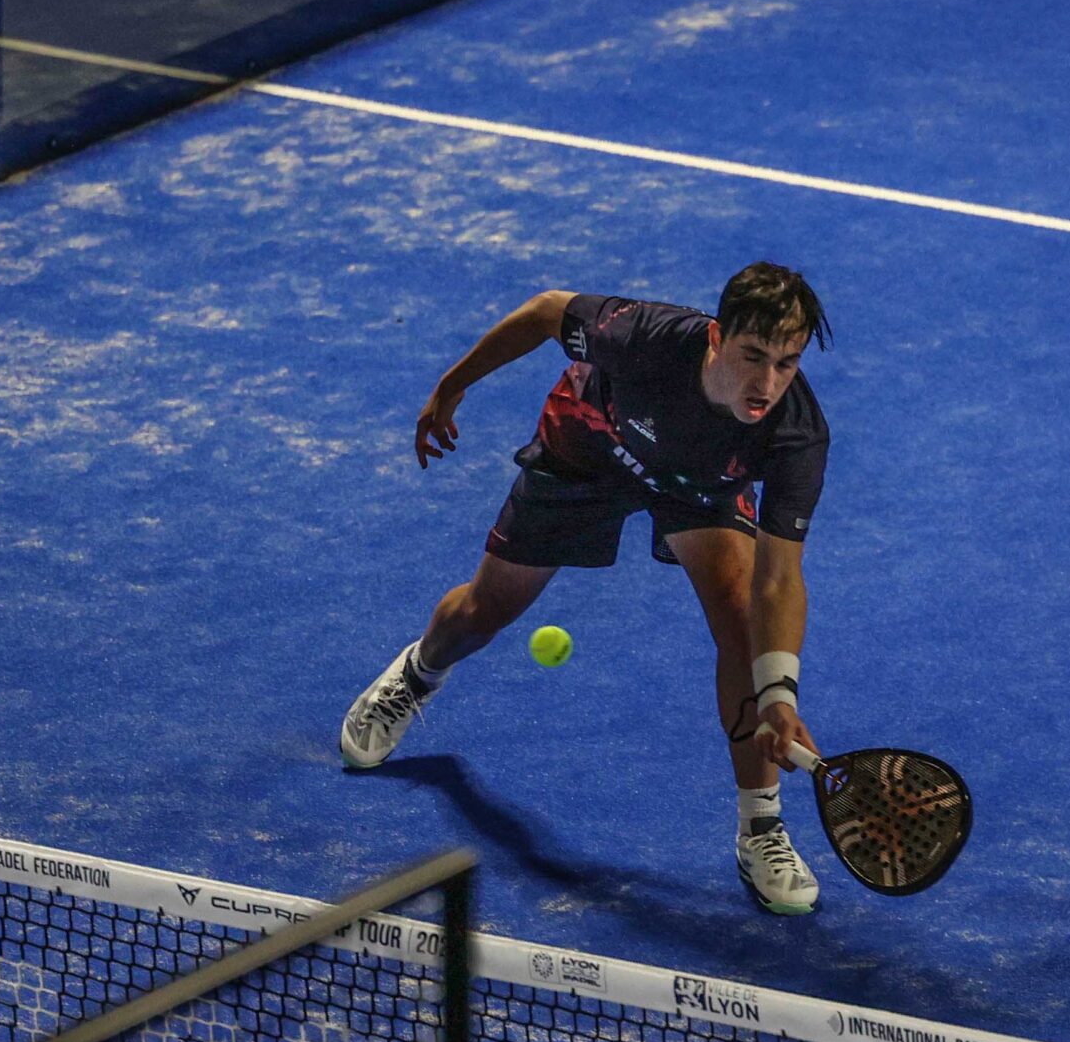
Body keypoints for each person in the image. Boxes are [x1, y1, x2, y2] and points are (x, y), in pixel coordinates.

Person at [339, 262, 833, 917]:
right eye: (754, 357)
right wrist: (450, 387)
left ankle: (761, 826)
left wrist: (779, 693)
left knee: (743, 628)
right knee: (487, 608)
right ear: (717, 337)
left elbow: (779, 576)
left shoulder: (796, 431)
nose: (767, 383)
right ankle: (418, 671)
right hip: (590, 448)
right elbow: (547, 311)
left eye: (787, 363)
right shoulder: (647, 337)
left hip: (698, 488)